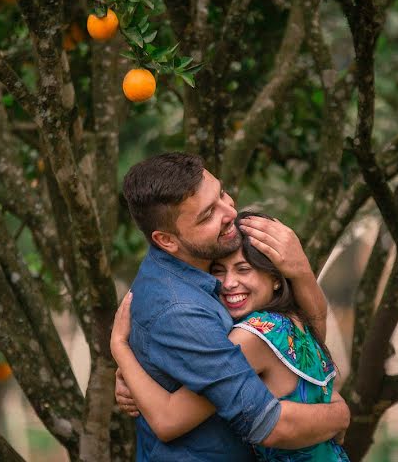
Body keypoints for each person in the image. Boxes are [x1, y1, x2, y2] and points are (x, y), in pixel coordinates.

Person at [117, 152, 349, 460]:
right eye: (207, 214)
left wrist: (300, 271)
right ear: (167, 240)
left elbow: (309, 334)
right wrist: (340, 415)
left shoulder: (209, 254)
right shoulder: (182, 311)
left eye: (222, 194)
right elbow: (268, 424)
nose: (229, 212)